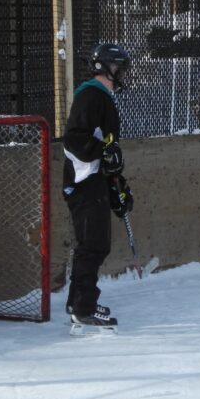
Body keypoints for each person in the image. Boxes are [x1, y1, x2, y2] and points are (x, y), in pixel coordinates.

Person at [62, 43, 134, 333]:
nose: (122, 74)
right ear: (106, 68)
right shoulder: (91, 96)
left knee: (92, 244)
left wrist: (118, 185)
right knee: (94, 245)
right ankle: (84, 308)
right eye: (118, 68)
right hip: (83, 182)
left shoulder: (101, 98)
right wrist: (103, 153)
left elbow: (107, 148)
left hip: (93, 181)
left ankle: (77, 303)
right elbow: (75, 140)